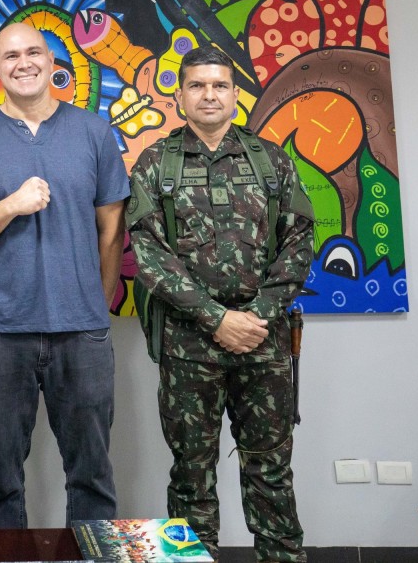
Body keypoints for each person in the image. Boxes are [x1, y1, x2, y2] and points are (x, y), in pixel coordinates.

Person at [126, 46, 315, 563]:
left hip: (264, 343)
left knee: (271, 470)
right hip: (189, 346)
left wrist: (257, 317)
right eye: (197, 85)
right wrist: (217, 319)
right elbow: (149, 255)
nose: (209, 95)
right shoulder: (156, 164)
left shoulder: (271, 161)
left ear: (234, 94)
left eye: (219, 85)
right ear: (180, 95)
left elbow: (299, 242)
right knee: (190, 473)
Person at [0, 22, 129, 528]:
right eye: (11, 56)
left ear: (51, 61)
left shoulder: (93, 132)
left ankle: (91, 561)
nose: (23, 63)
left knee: (92, 477)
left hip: (82, 332)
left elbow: (112, 231)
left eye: (33, 53)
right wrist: (10, 205)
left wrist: (94, 304)